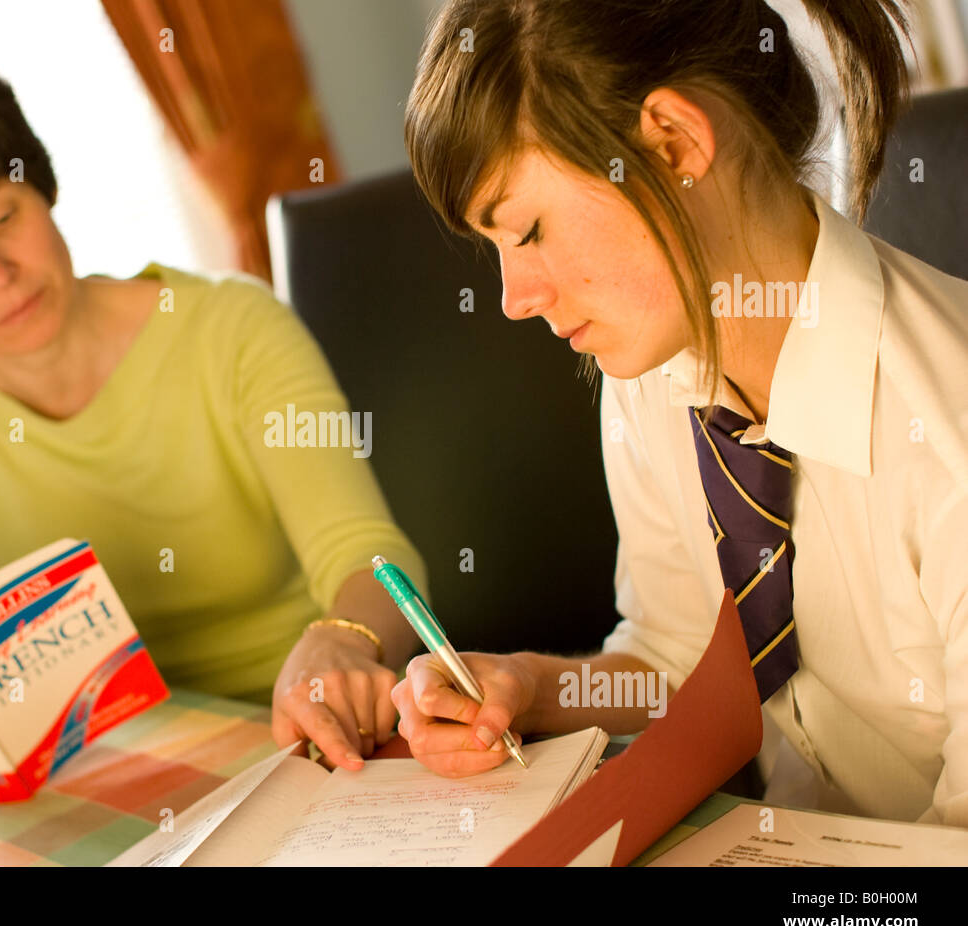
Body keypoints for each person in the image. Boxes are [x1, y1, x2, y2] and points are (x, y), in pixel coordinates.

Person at [393, 0, 968, 827]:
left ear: (673, 144)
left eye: (529, 230)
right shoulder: (650, 370)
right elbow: (675, 654)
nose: (515, 299)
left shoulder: (946, 433)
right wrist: (531, 686)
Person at [0, 57, 427, 772]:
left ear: (44, 192)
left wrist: (345, 635)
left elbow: (375, 559)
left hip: (309, 741)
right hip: (112, 778)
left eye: (2, 216)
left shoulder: (232, 328)